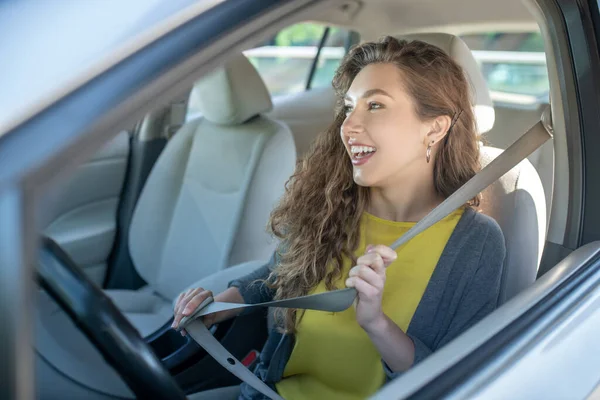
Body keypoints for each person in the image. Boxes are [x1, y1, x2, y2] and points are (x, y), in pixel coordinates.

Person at [172, 36, 506, 400]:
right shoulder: (333, 204)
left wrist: (376, 324)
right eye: (349, 108)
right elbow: (274, 276)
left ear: (435, 127)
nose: (349, 126)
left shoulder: (475, 243)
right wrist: (213, 308)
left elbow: (455, 379)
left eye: (375, 105)